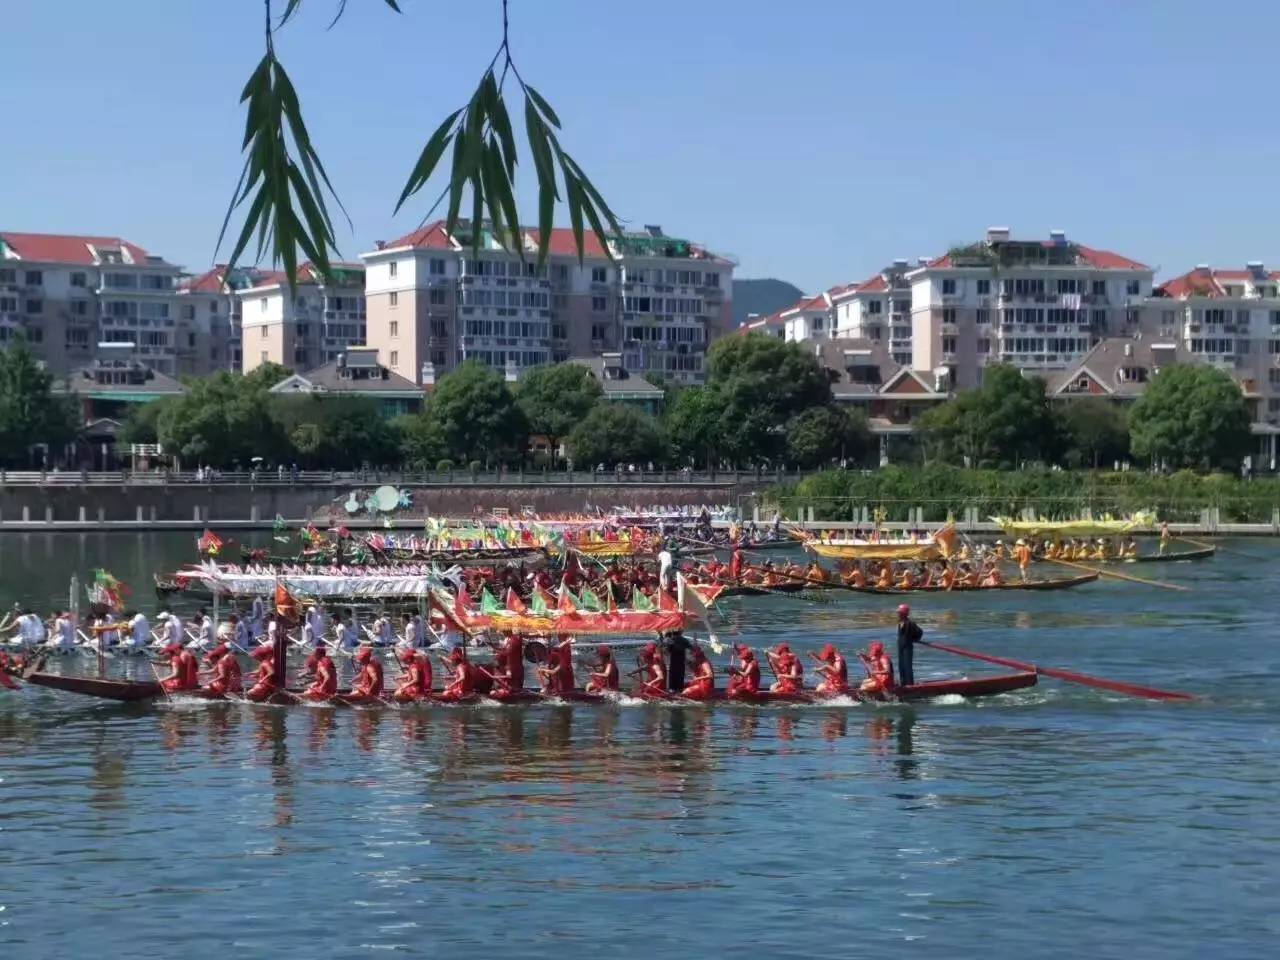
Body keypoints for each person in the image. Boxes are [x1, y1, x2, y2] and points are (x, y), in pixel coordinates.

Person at [896, 604, 922, 687]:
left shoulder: (910, 623)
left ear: (904, 613)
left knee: (907, 666)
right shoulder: (900, 623)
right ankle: (903, 684)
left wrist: (915, 639)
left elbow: (920, 632)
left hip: (907, 647)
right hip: (901, 647)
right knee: (901, 666)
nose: (898, 614)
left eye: (899, 613)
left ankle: (910, 685)